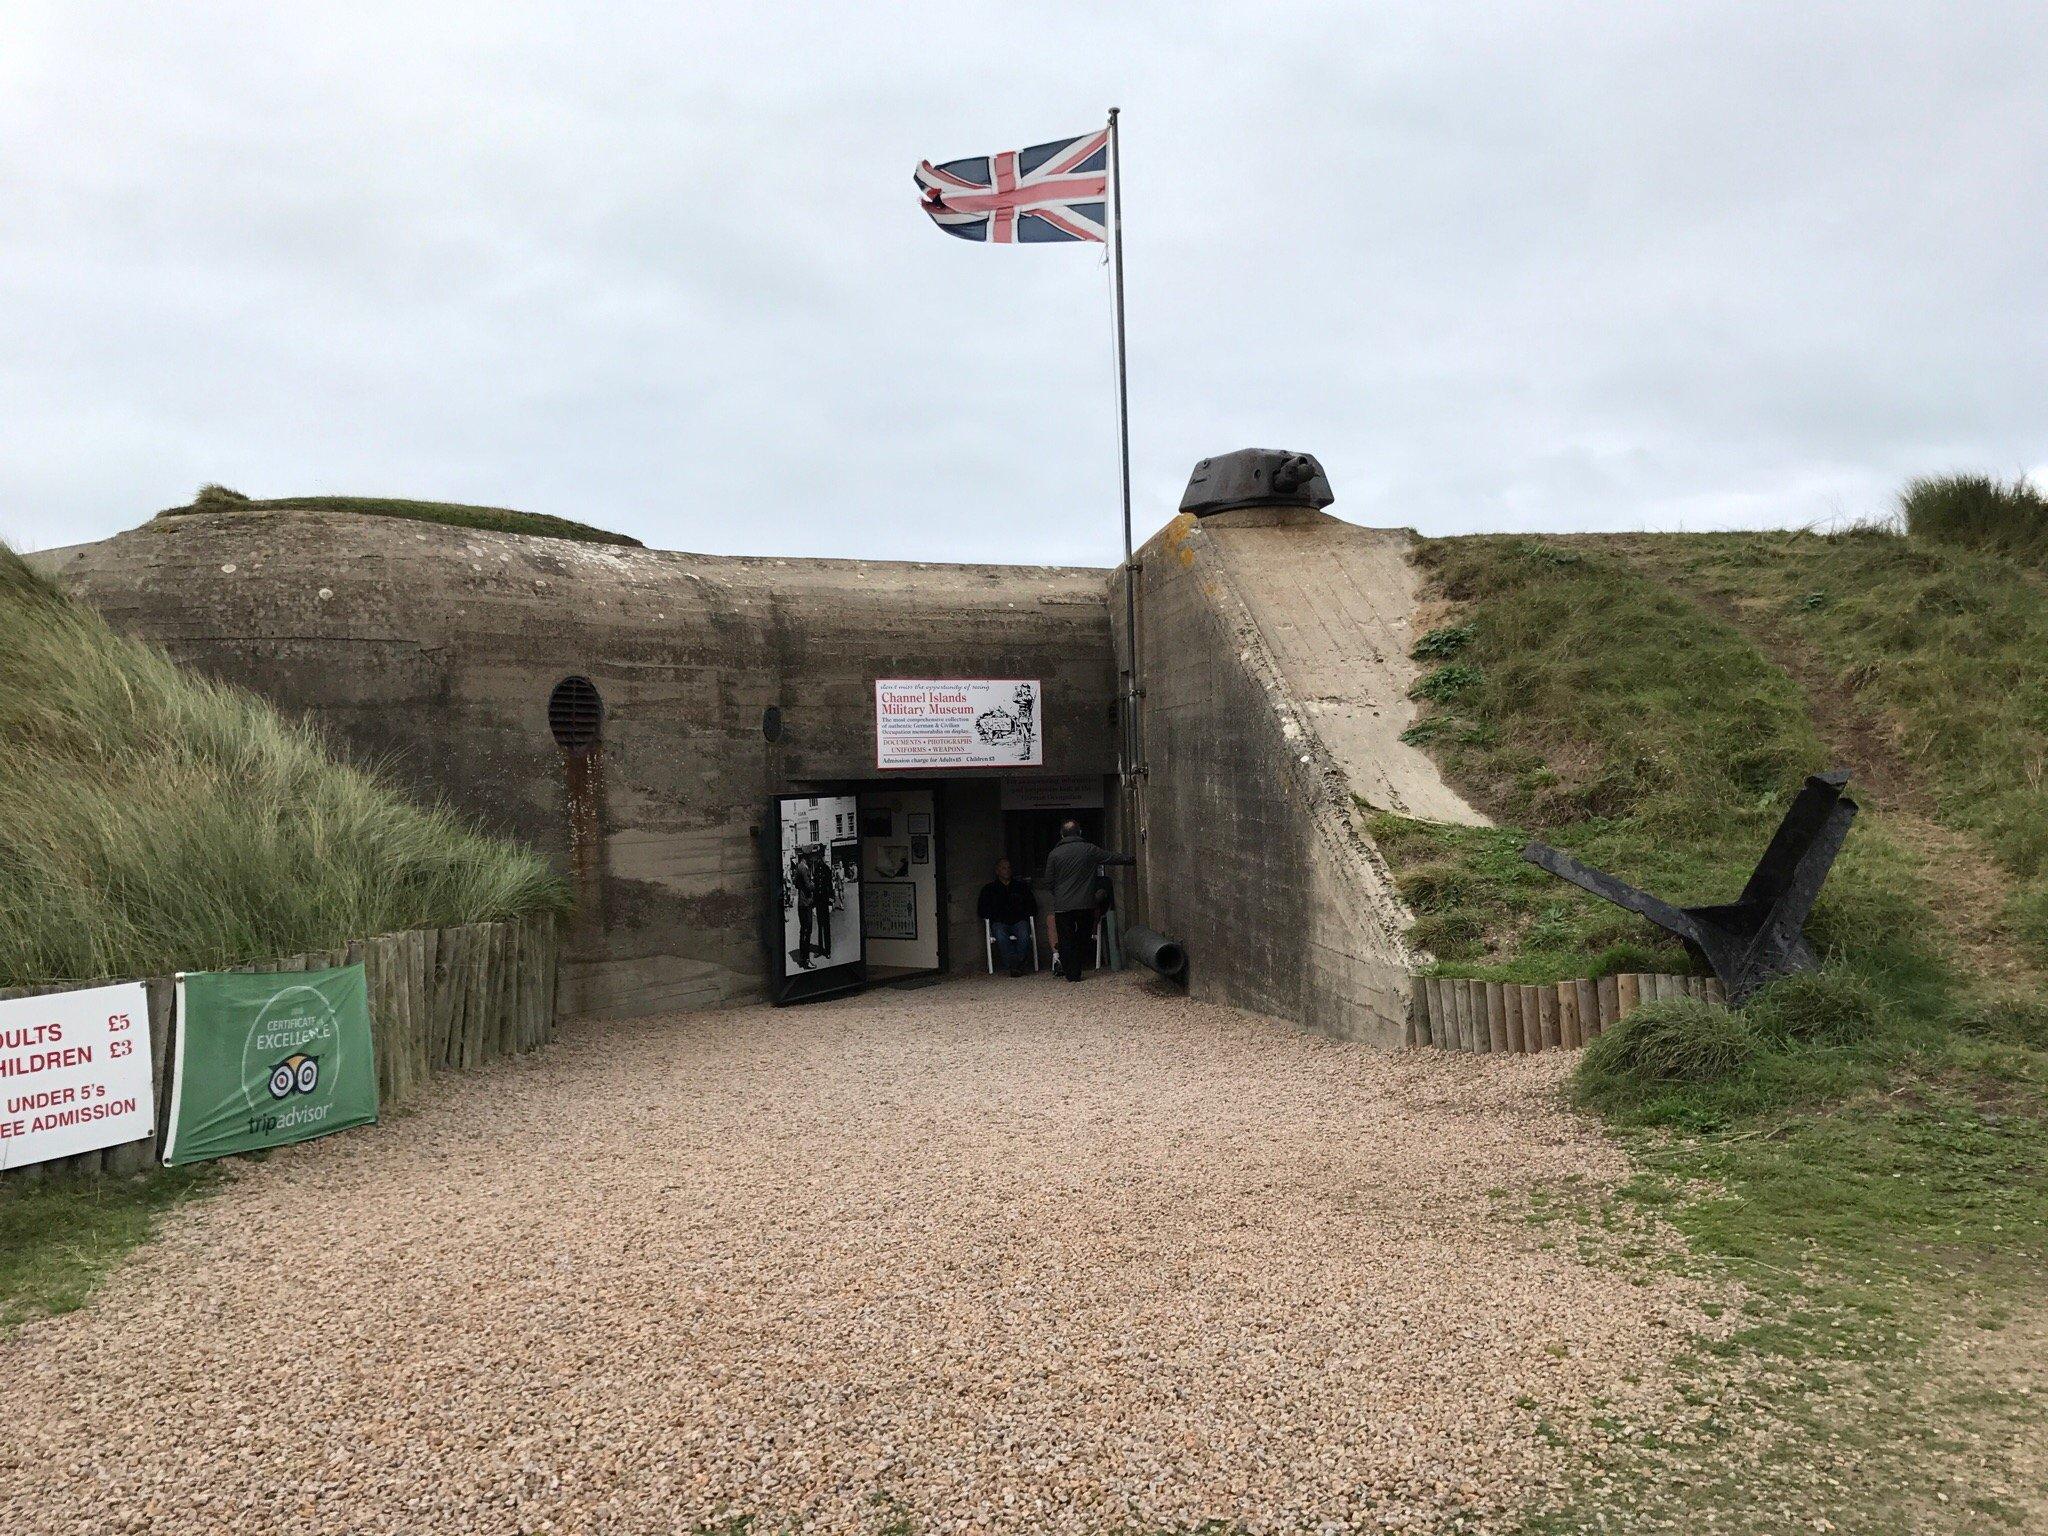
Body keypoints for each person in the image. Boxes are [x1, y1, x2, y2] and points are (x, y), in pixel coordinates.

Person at [1039, 821, 1135, 982]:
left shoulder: (1054, 854)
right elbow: (1110, 857)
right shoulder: (1089, 849)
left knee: (1066, 937)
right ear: (1080, 832)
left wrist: (1059, 894)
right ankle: (1076, 968)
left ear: (1062, 835)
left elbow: (1048, 881)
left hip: (1063, 905)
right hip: (1085, 903)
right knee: (1083, 936)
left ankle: (1072, 973)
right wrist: (1130, 859)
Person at [977, 857, 1038, 976]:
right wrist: (993, 916)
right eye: (1003, 868)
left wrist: (1024, 914)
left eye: (1009, 867)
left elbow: (1032, 906)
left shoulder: (1021, 887)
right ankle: (1014, 964)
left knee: (1024, 934)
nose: (1007, 870)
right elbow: (982, 909)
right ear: (997, 871)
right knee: (1000, 934)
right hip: (1000, 921)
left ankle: (1015, 964)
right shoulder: (989, 889)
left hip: (1019, 920)